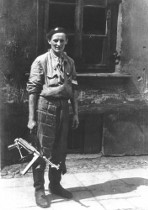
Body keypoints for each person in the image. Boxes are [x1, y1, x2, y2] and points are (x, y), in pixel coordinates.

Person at [26, 27, 79, 208]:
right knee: (42, 150)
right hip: (45, 107)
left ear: (66, 42)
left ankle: (55, 185)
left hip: (64, 108)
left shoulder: (70, 62)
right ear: (49, 41)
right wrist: (31, 118)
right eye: (55, 40)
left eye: (62, 41)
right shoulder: (40, 61)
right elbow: (32, 92)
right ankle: (39, 190)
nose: (58, 44)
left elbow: (73, 90)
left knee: (60, 149)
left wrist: (75, 113)